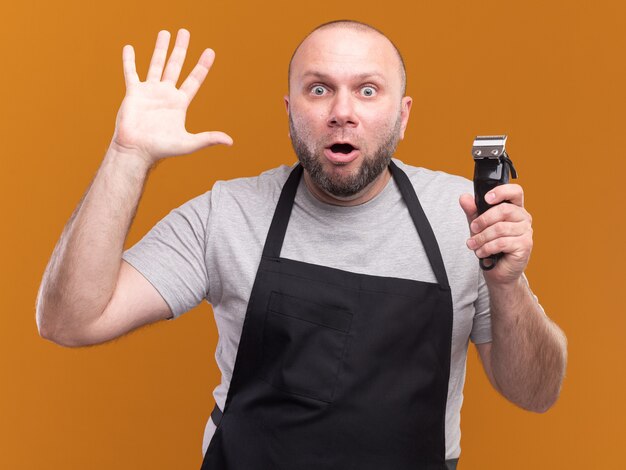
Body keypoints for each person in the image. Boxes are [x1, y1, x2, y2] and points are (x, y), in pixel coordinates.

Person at [36, 20, 568, 470]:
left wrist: (508, 283)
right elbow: (70, 320)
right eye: (319, 89)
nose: (342, 111)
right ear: (289, 109)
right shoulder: (229, 213)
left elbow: (536, 392)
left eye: (367, 89)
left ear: (402, 115)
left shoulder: (467, 217)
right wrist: (127, 154)